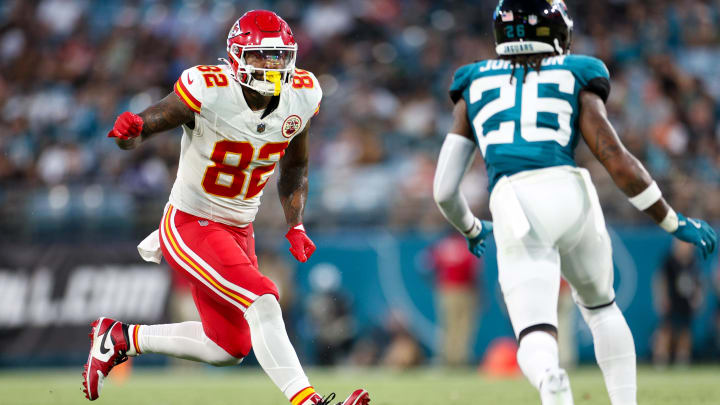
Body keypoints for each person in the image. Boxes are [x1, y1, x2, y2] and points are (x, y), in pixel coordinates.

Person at [432, 1, 717, 405]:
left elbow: (444, 189)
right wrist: (672, 221)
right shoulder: (577, 71)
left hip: (515, 202)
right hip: (570, 191)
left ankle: (551, 380)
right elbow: (617, 159)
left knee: (534, 330)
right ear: (557, 32)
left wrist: (472, 228)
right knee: (602, 307)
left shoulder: (472, 81)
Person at [82, 10, 369, 405]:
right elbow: (144, 127)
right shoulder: (208, 88)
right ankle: (309, 401)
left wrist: (296, 224)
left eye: (278, 56)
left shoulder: (302, 93)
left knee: (228, 347)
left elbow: (296, 165)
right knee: (263, 300)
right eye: (260, 56)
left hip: (239, 227)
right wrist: (128, 134)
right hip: (192, 222)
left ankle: (120, 338)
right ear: (236, 56)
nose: (271, 65)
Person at [652, 240, 703, 367]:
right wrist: (662, 298)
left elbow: (698, 281)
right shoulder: (669, 261)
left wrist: (697, 297)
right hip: (671, 301)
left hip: (685, 302)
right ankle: (661, 360)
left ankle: (682, 360)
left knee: (685, 332)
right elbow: (660, 280)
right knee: (666, 330)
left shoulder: (693, 261)